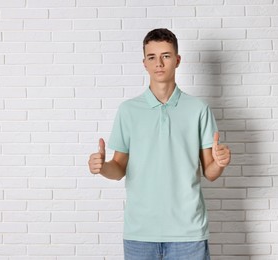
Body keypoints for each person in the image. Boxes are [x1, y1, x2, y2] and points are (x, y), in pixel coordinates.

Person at [88, 28, 231, 260]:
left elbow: (210, 172)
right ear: (144, 63)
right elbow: (118, 168)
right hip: (140, 233)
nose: (159, 63)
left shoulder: (198, 110)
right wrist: (102, 167)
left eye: (165, 56)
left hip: (189, 233)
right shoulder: (128, 111)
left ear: (177, 60)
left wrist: (221, 162)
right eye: (152, 57)